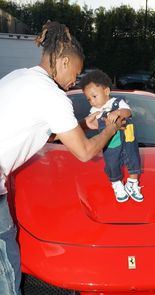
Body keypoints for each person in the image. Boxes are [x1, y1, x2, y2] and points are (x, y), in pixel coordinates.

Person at [0, 21, 123, 295]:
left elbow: (49, 133)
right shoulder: (52, 95)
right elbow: (85, 152)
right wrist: (111, 128)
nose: (74, 82)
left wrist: (81, 125)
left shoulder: (20, 77)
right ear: (64, 61)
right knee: (6, 266)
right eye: (76, 74)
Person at [80, 69, 144, 203]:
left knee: (134, 159)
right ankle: (116, 183)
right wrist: (92, 124)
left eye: (94, 96)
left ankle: (132, 183)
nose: (92, 101)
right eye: (88, 99)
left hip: (128, 138)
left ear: (107, 91)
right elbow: (97, 127)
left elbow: (128, 112)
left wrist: (118, 113)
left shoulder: (117, 102)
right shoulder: (94, 111)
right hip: (111, 142)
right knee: (111, 163)